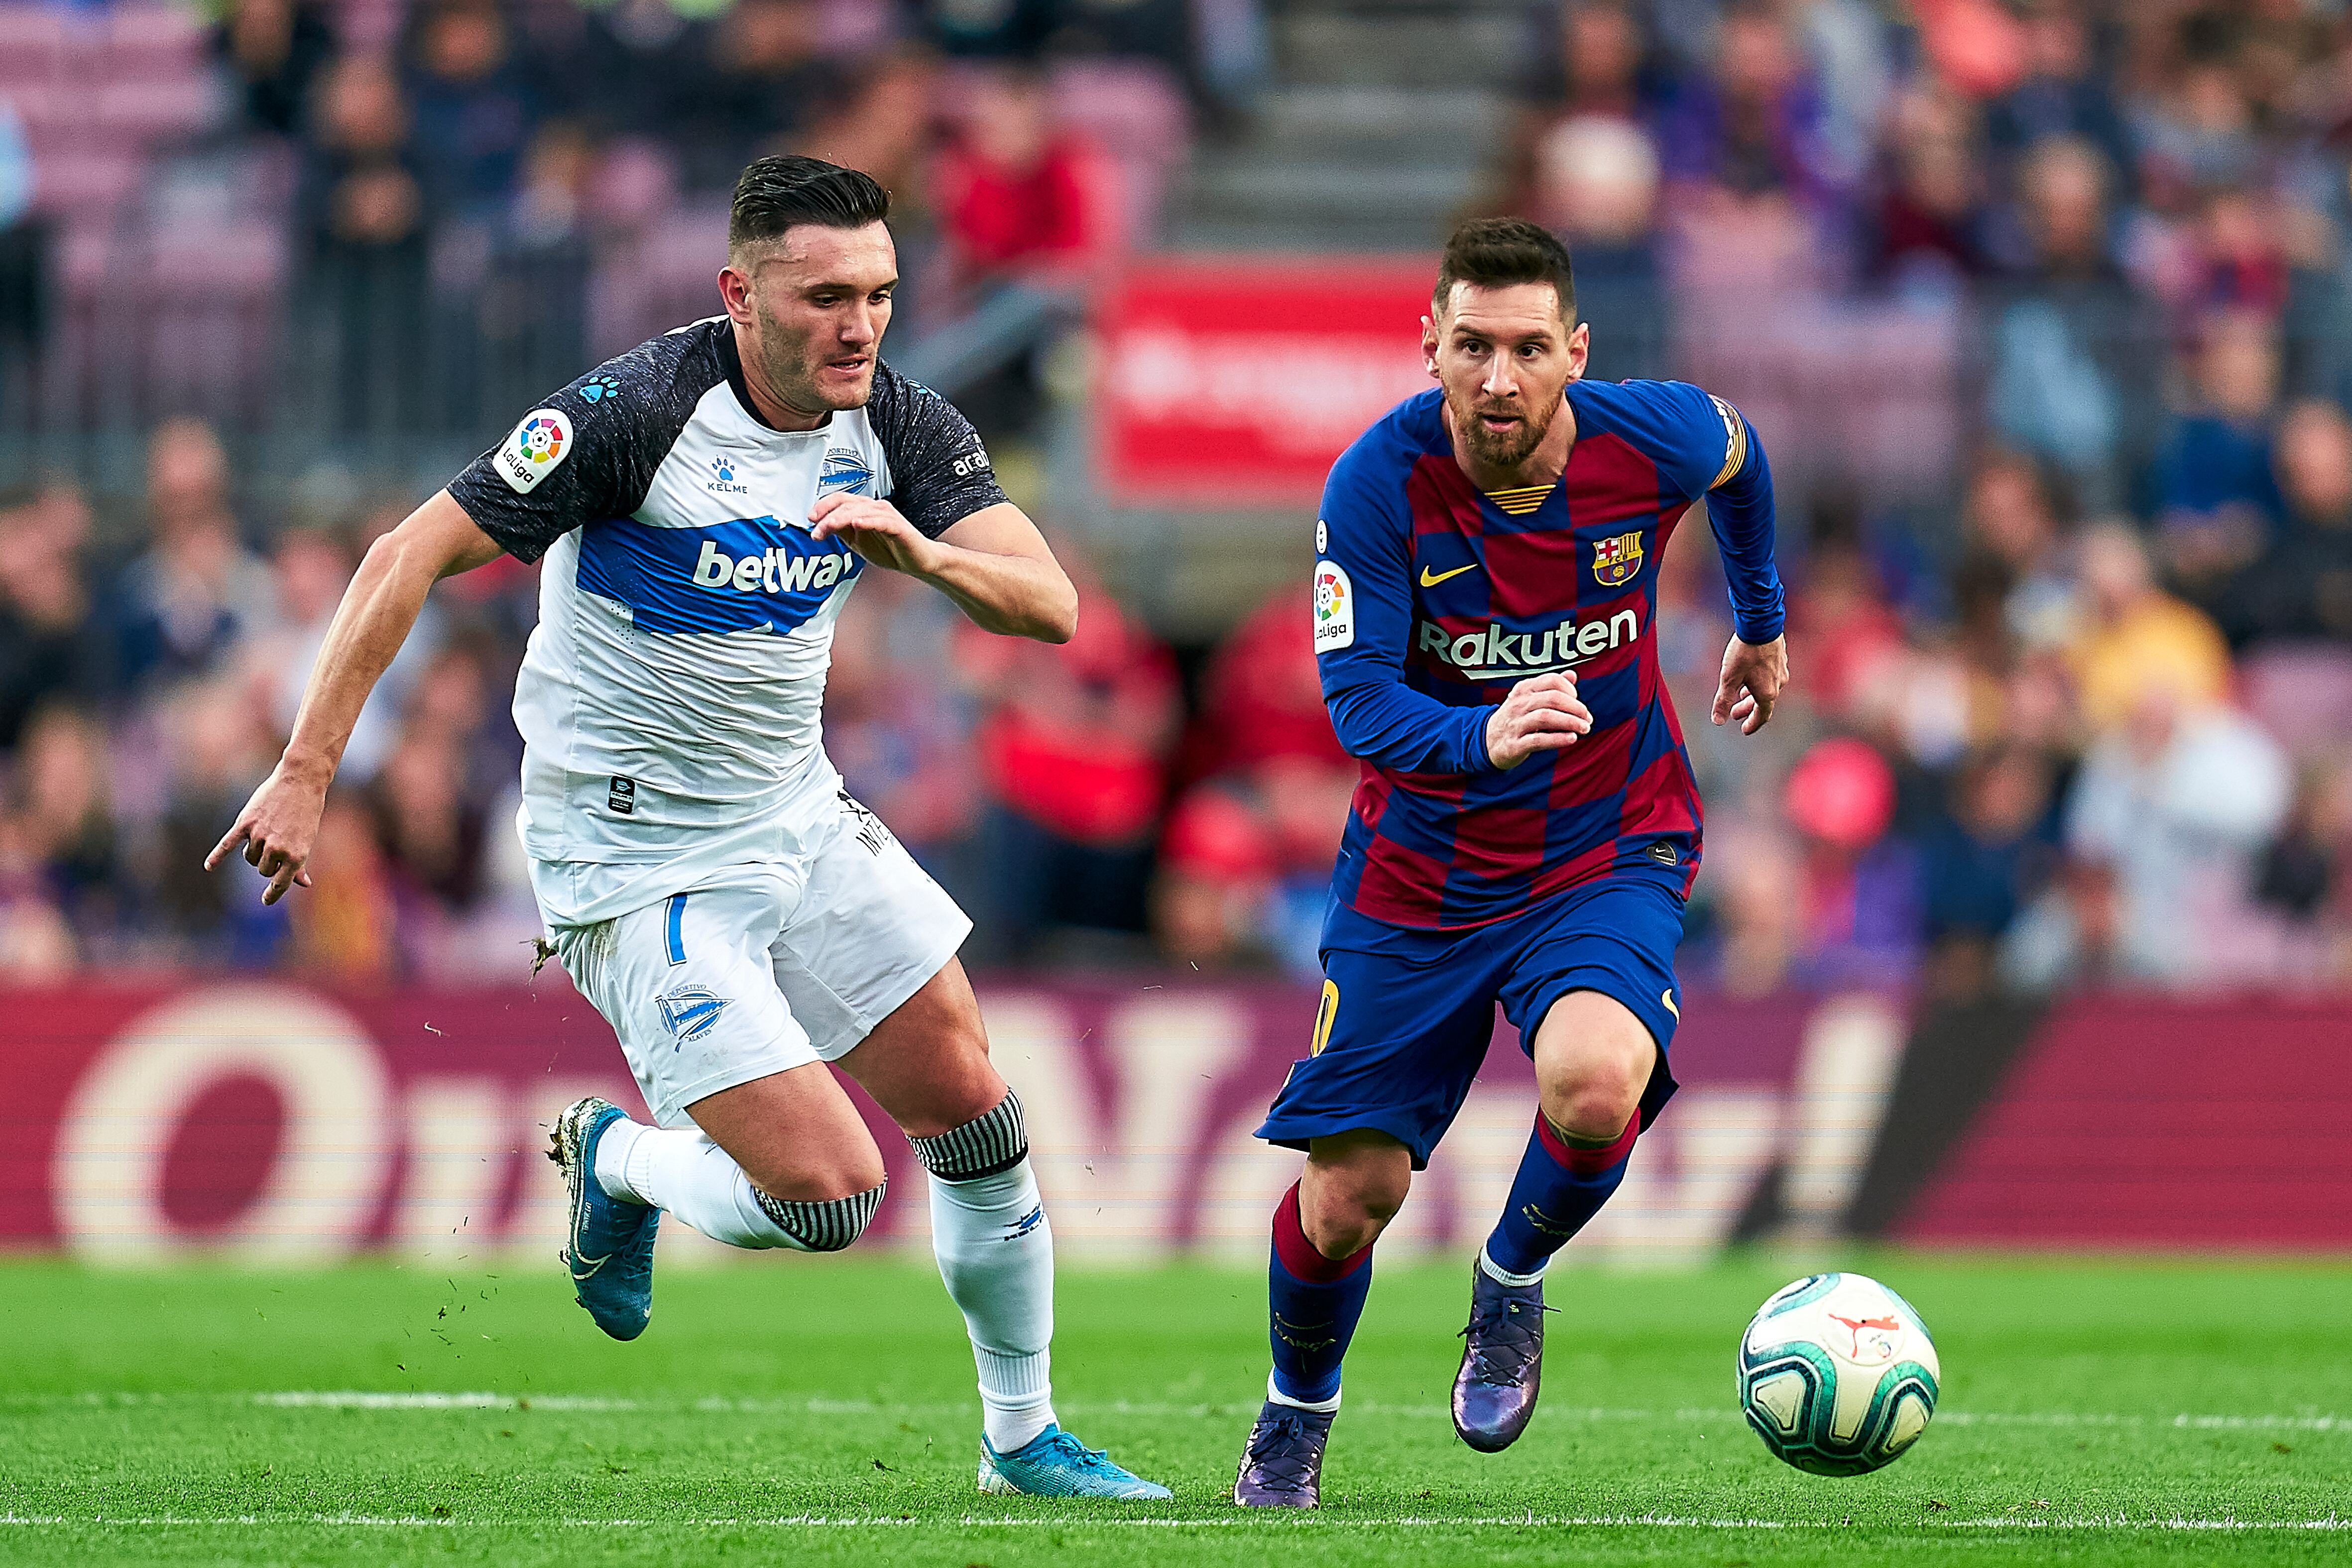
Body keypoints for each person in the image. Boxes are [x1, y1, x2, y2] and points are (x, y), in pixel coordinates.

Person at [206, 155, 1169, 1502]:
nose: (859, 326)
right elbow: (402, 556)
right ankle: (620, 1160)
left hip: (795, 818)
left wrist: (924, 555)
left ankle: (1022, 1441)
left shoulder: (893, 419)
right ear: (740, 292)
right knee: (830, 1199)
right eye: (826, 296)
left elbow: (1049, 606)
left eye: (881, 295)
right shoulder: (632, 413)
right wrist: (309, 770)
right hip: (634, 856)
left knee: (977, 1113)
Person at [1231, 217, 1787, 1507]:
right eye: (1470, 345)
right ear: (1426, 344)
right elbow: (1358, 704)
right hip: (1419, 878)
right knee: (1345, 1201)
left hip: (1606, 844)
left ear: (1573, 352)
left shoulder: (1646, 434)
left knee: (1596, 1083)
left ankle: (1510, 1283)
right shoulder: (1373, 485)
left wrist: (1758, 624)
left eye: (1526, 348)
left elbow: (1742, 456)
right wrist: (1482, 732)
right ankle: (1294, 1416)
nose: (1496, 377)